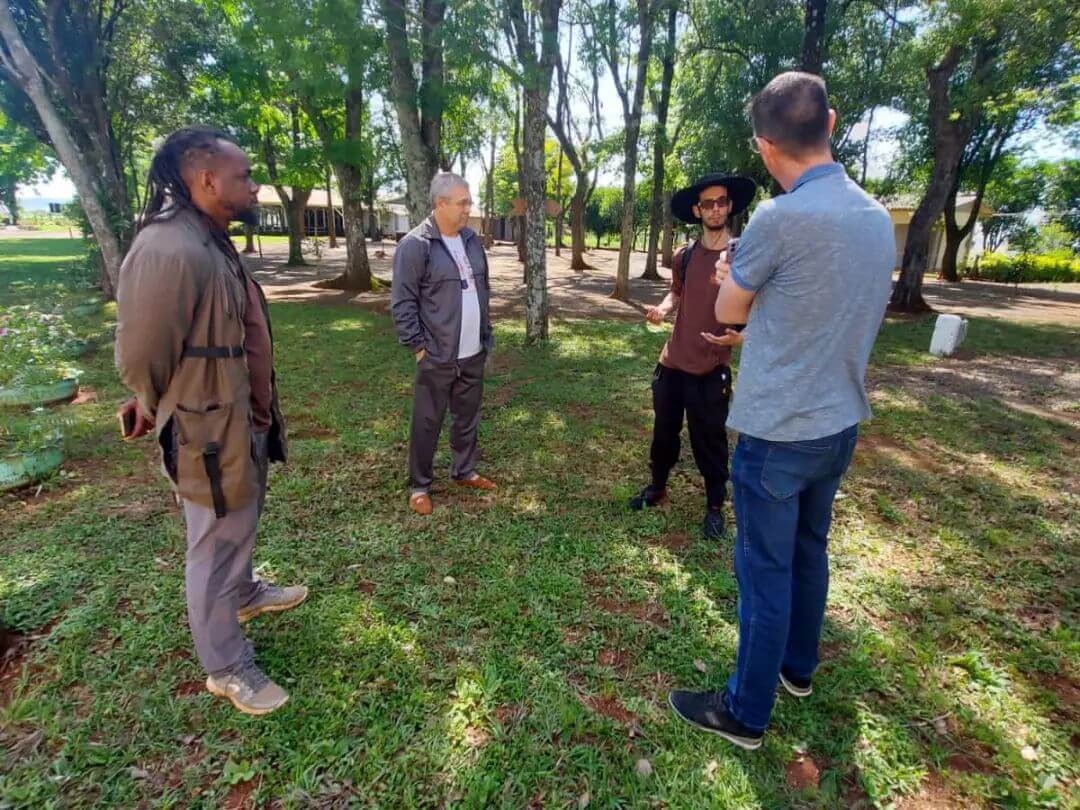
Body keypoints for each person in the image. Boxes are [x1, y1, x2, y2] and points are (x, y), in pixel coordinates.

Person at [668, 72, 895, 749]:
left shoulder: (778, 217)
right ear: (831, 123)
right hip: (839, 424)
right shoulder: (875, 216)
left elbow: (731, 306)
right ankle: (799, 667)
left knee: (762, 572)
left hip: (776, 433)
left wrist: (728, 290)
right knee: (809, 552)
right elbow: (818, 312)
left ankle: (744, 713)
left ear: (765, 147)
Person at [115, 127, 307, 716]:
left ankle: (245, 594)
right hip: (205, 429)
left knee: (238, 524)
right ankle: (226, 666)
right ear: (205, 179)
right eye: (243, 176)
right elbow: (143, 352)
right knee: (214, 543)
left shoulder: (210, 239)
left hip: (237, 418)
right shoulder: (169, 248)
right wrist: (150, 402)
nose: (252, 186)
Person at [631, 173, 757, 540]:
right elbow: (677, 293)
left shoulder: (744, 256)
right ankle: (657, 488)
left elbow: (761, 306)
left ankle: (715, 506)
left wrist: (743, 335)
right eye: (708, 203)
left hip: (710, 367)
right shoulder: (684, 256)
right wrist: (662, 308)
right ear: (697, 210)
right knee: (663, 433)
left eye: (721, 202)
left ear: (730, 206)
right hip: (672, 363)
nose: (715, 209)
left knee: (710, 440)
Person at [391, 173, 496, 516]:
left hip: (472, 352)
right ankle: (420, 484)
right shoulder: (416, 245)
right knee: (427, 420)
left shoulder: (470, 240)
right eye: (462, 202)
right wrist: (419, 346)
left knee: (467, 417)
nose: (469, 208)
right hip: (437, 354)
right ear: (440, 204)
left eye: (469, 201)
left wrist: (485, 334)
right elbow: (403, 302)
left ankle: (464, 470)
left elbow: (483, 290)